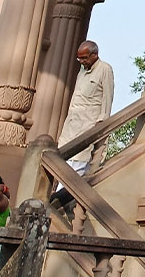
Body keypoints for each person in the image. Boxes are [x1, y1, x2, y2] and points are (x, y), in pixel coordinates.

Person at [50, 40, 113, 212]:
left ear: (95, 55)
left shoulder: (104, 69)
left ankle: (57, 207)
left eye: (85, 58)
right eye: (79, 59)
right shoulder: (81, 71)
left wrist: (100, 128)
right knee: (61, 165)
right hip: (71, 126)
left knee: (75, 169)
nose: (82, 61)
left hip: (87, 126)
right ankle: (56, 203)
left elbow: (106, 102)